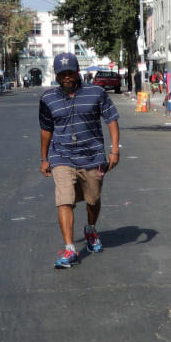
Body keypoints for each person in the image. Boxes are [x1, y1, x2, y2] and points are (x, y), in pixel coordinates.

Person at [39, 52, 120, 269]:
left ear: (77, 72)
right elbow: (46, 129)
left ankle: (90, 230)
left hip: (92, 155)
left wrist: (114, 150)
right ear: (56, 75)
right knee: (64, 199)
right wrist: (44, 158)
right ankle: (70, 248)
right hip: (61, 155)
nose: (66, 77)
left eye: (70, 72)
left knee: (93, 199)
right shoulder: (48, 98)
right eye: (62, 73)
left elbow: (111, 119)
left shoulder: (96, 92)